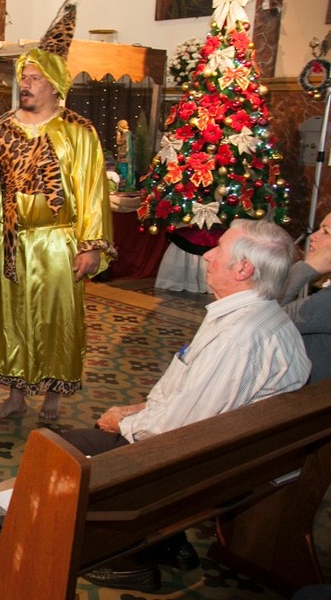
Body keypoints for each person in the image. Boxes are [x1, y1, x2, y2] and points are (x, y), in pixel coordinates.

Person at [62, 218, 310, 593]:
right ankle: (167, 542)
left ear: (243, 269)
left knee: (57, 451)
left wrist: (123, 423)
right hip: (239, 453)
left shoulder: (238, 337)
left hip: (198, 467)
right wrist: (136, 407)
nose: (207, 255)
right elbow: (194, 394)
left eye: (219, 249)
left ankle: (126, 558)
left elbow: (176, 433)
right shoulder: (260, 315)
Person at [0, 0, 114, 422]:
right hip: (12, 241)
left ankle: (53, 392)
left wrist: (90, 245)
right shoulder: (0, 129)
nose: (28, 83)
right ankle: (16, 395)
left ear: (55, 84)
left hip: (59, 241)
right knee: (10, 318)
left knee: (57, 319)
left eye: (36, 77)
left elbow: (92, 190)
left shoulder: (79, 131)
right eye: (24, 77)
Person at [280, 212, 331, 383]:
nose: (314, 236)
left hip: (302, 400)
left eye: (326, 232)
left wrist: (307, 268)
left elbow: (261, 319)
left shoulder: (327, 303)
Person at [114, 118, 135, 190]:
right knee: (123, 170)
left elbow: (119, 142)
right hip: (125, 156)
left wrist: (118, 135)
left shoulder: (126, 134)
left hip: (124, 157)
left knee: (124, 171)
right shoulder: (128, 134)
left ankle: (125, 186)